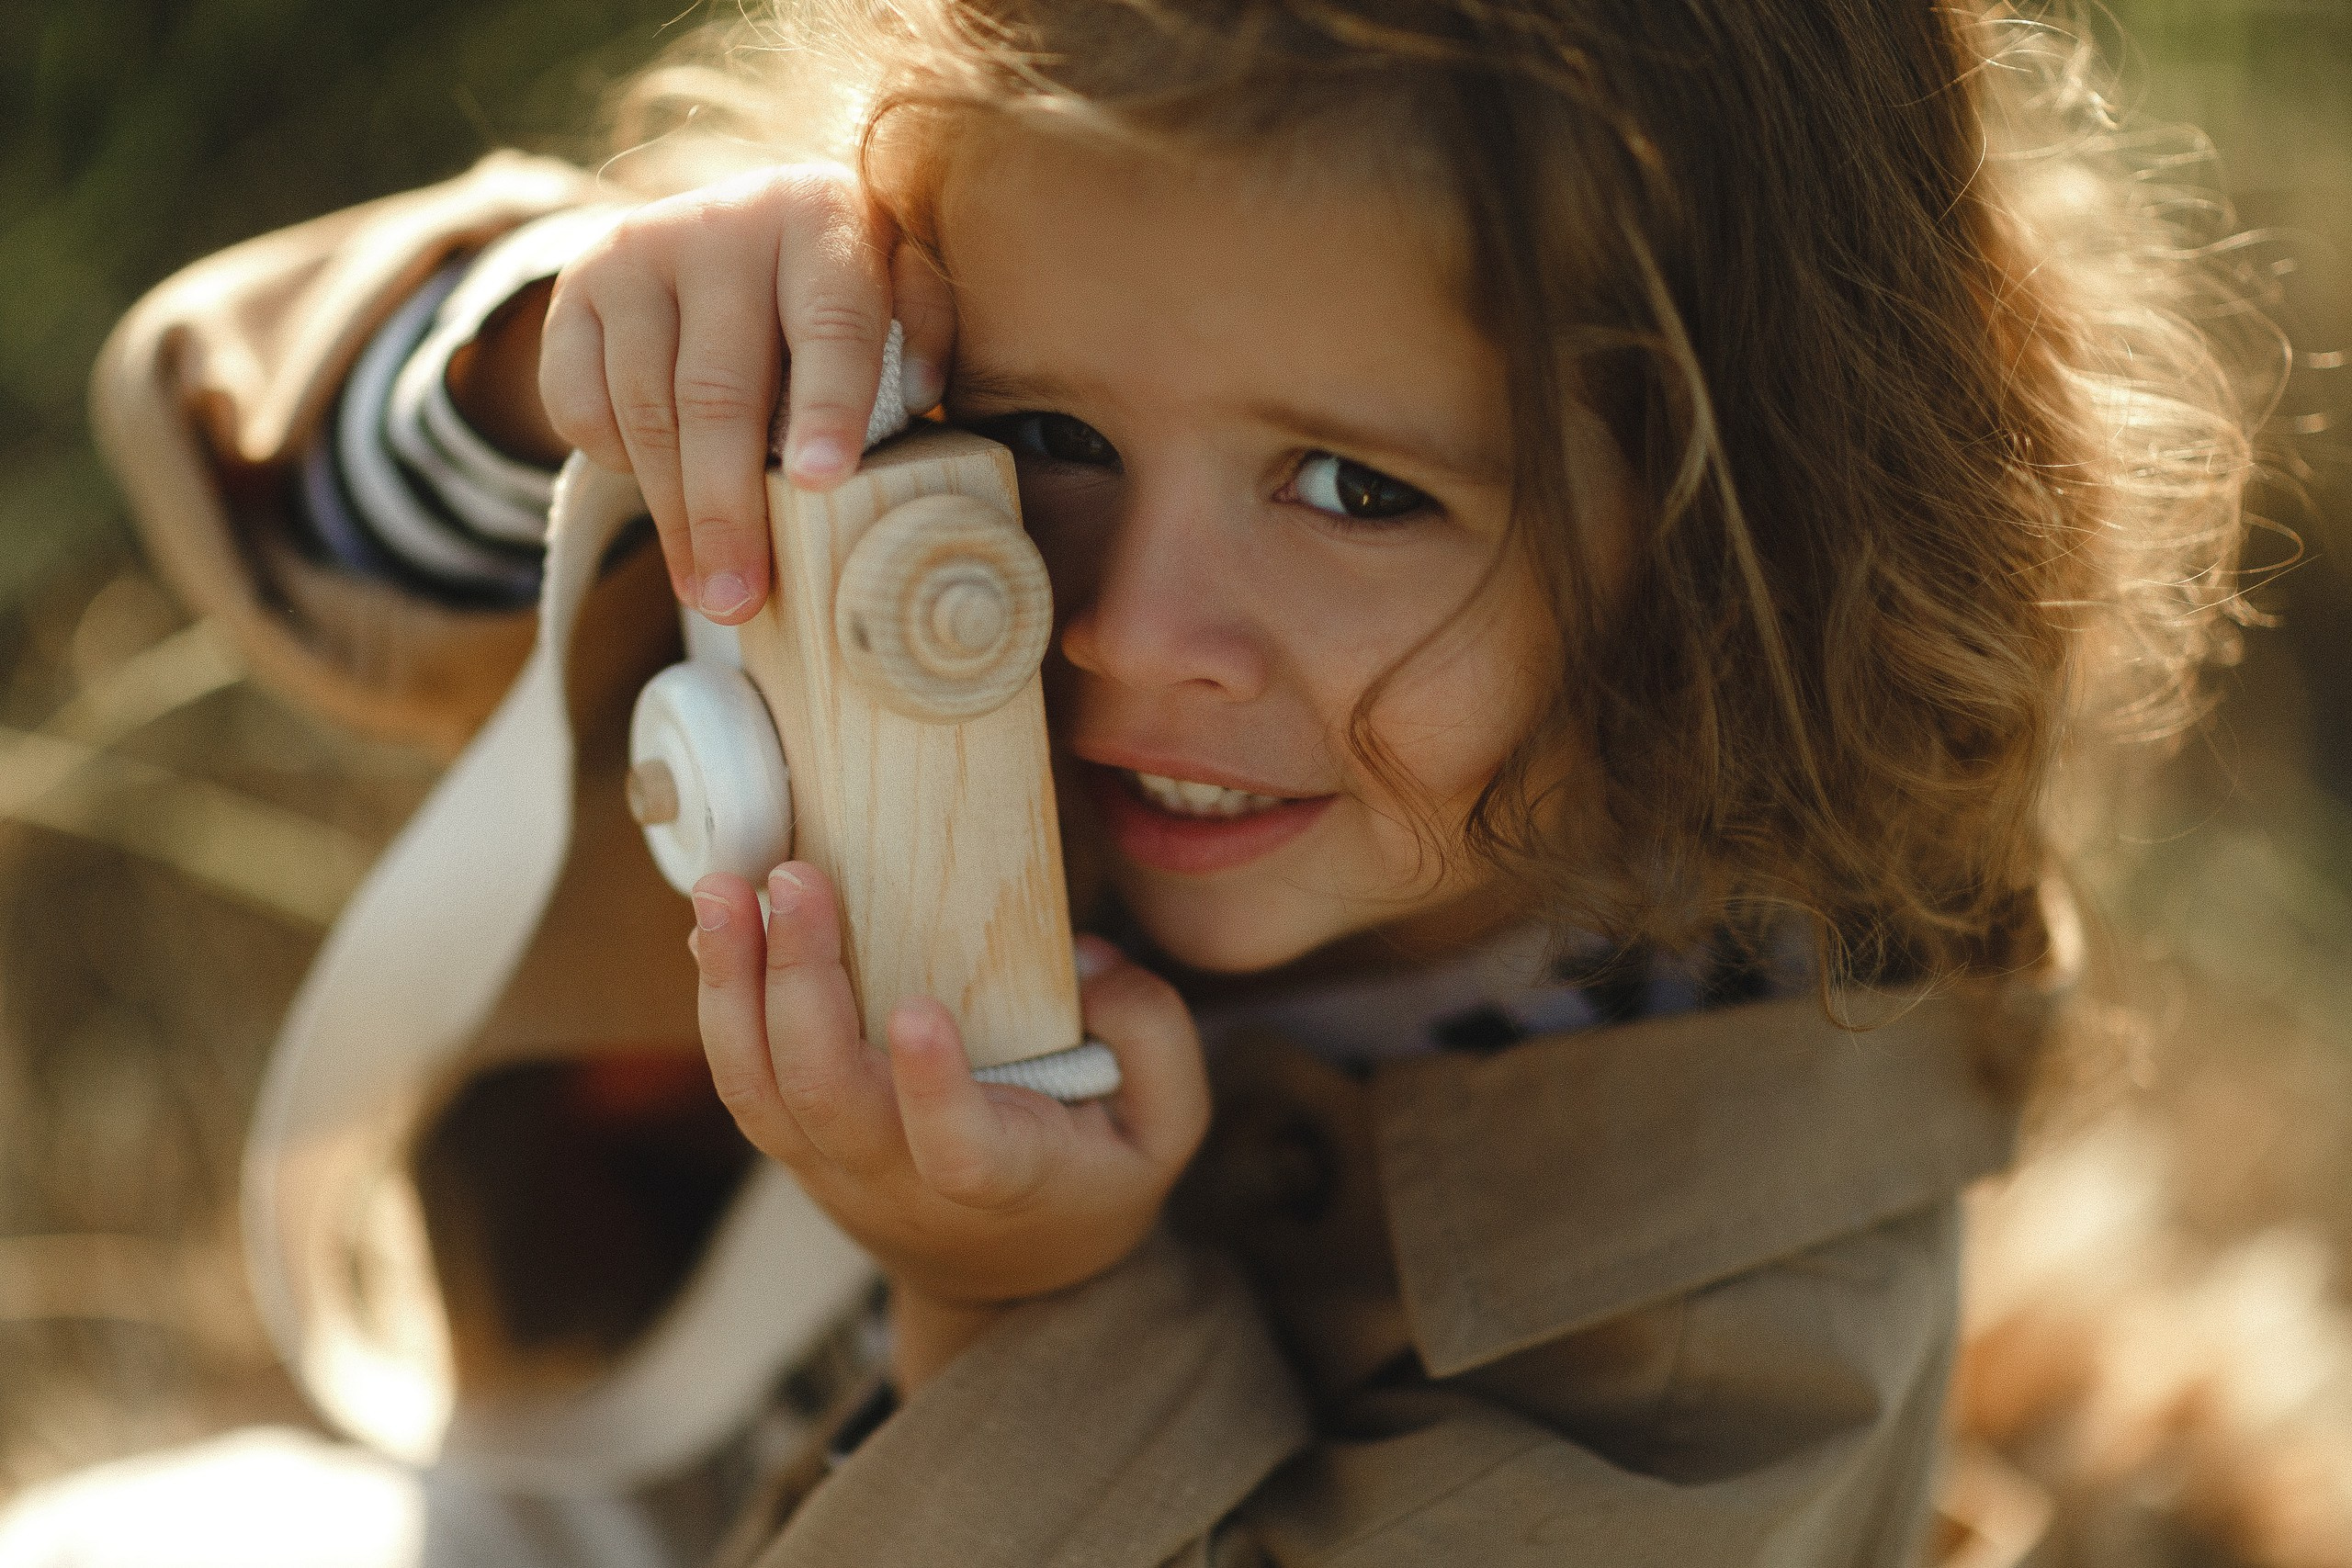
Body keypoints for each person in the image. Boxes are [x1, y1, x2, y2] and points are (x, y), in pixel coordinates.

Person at [11, 1, 2262, 1564]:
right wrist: (563, 352)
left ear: (1738, 532)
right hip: (684, 1462)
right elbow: (235, 450)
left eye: (1353, 491)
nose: (1113, 624)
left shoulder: (1730, 1316)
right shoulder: (939, 361)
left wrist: (1005, 1290)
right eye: (1057, 441)